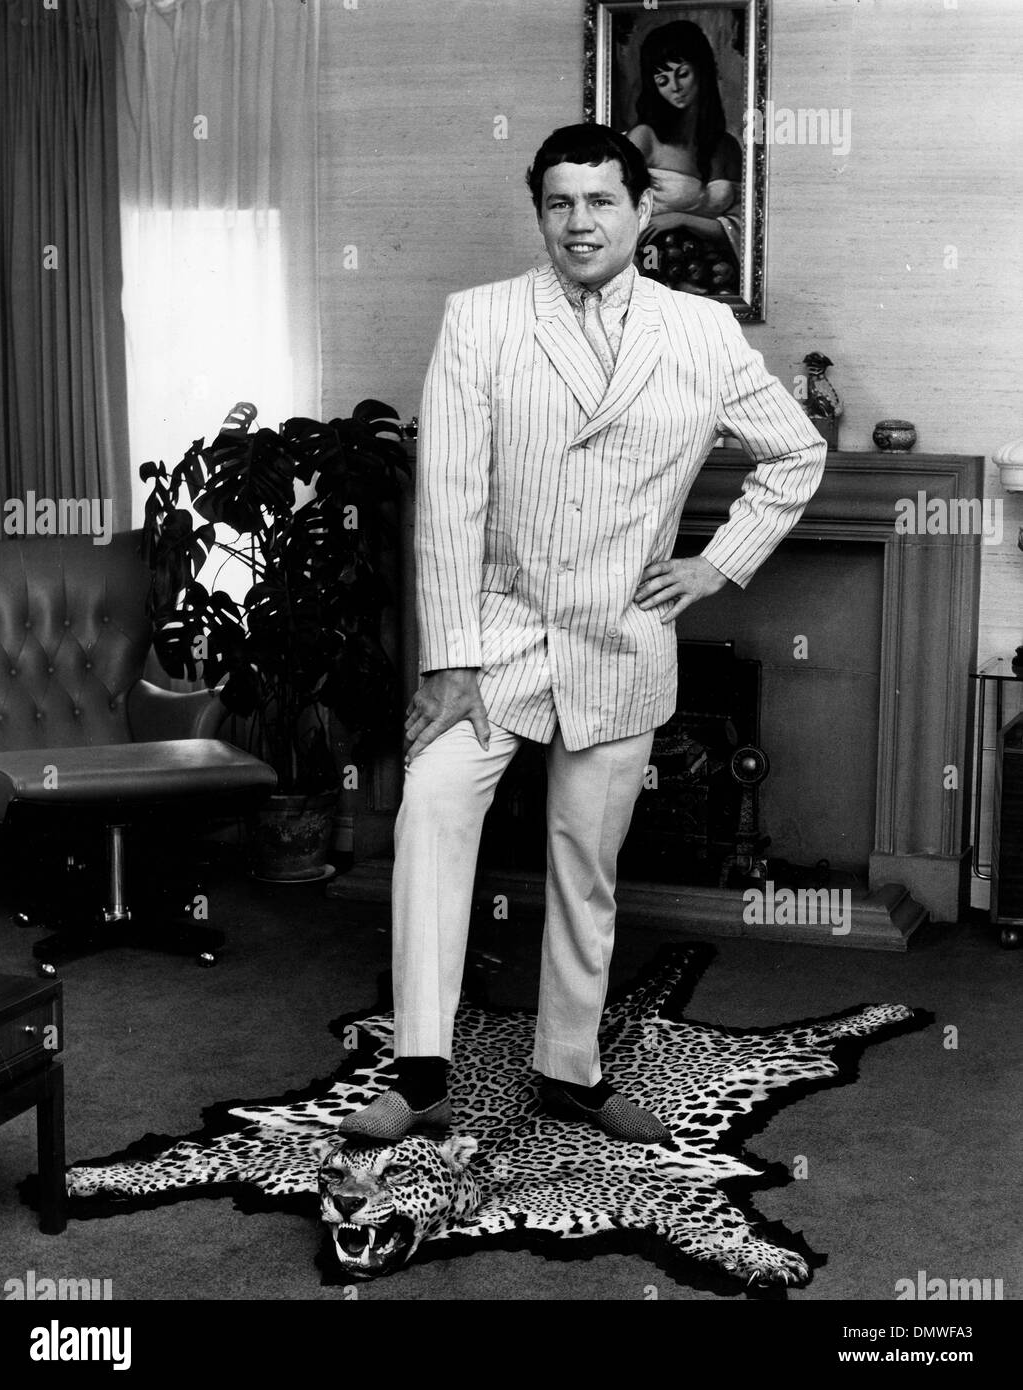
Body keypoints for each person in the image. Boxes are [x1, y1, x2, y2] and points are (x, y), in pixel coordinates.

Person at [340, 123, 825, 1145]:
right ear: (539, 215)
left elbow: (793, 453)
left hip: (620, 639)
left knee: (583, 863)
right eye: (558, 203)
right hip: (496, 640)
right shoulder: (478, 322)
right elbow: (449, 498)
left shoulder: (699, 333)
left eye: (600, 200)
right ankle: (420, 1065)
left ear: (643, 210)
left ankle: (569, 1068)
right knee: (428, 809)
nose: (578, 222)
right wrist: (449, 659)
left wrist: (714, 564)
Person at [626, 20, 743, 292]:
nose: (675, 87)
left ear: (701, 70)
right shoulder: (645, 138)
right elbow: (616, 214)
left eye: (683, 74)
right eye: (662, 80)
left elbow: (744, 227)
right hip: (656, 270)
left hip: (717, 271)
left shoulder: (727, 146)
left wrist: (681, 219)